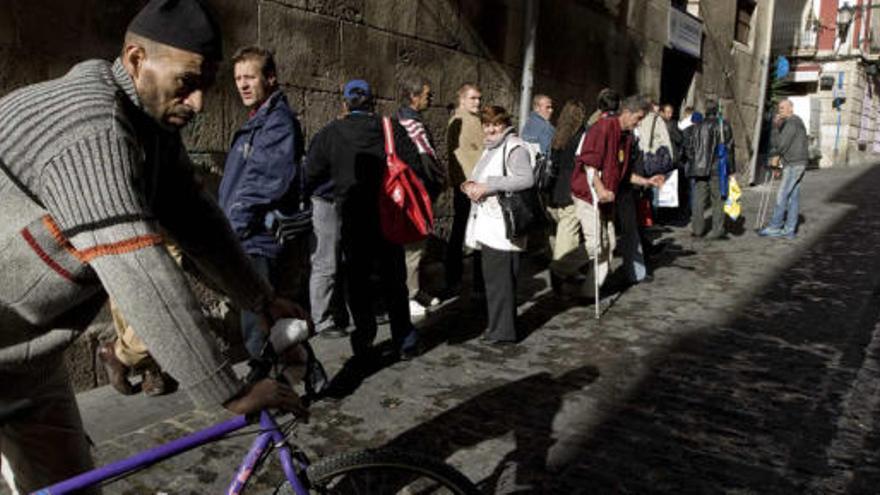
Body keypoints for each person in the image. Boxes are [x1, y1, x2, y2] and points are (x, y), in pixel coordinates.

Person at [0, 1, 303, 492]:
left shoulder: (149, 127)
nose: (200, 102)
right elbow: (138, 266)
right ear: (137, 59)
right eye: (188, 82)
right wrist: (228, 390)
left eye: (207, 84)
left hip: (27, 367)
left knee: (72, 486)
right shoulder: (89, 125)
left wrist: (261, 299)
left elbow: (197, 221)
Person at [305, 79, 423, 361]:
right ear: (373, 103)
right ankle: (404, 338)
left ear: (345, 104)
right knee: (394, 279)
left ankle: (364, 337)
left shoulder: (331, 133)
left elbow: (310, 174)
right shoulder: (390, 129)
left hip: (353, 217)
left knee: (357, 280)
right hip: (388, 217)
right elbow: (415, 169)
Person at [218, 45, 306, 370]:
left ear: (270, 78)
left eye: (250, 77)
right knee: (268, 322)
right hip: (247, 235)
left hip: (256, 240)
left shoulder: (277, 123)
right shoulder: (258, 121)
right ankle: (302, 376)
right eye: (238, 78)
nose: (242, 84)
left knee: (258, 329)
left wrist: (232, 228)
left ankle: (270, 392)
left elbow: (262, 182)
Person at [571, 95, 663, 298]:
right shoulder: (602, 128)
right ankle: (561, 266)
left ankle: (589, 292)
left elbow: (625, 173)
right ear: (627, 113)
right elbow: (589, 164)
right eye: (637, 118)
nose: (638, 123)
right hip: (589, 195)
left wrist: (647, 181)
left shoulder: (628, 138)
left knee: (609, 244)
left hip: (608, 198)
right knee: (596, 245)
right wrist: (601, 188)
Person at [463, 106, 534, 344]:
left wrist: (487, 186)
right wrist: (471, 186)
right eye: (487, 124)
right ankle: (500, 328)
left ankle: (502, 332)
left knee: (500, 283)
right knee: (495, 282)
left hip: (502, 227)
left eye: (496, 124)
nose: (491, 129)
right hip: (491, 225)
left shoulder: (514, 147)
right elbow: (484, 178)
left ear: (505, 124)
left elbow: (526, 179)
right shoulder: (492, 147)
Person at [396, 75, 445, 316]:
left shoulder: (413, 121)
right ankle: (407, 295)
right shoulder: (409, 124)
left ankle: (415, 290)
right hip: (415, 193)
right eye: (427, 94)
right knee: (413, 246)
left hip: (419, 192)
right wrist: (438, 180)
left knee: (419, 245)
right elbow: (425, 160)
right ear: (414, 97)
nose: (431, 98)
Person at [546, 98, 589, 293]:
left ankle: (565, 270)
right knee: (568, 232)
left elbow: (554, 163)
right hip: (572, 189)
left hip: (558, 190)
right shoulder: (580, 136)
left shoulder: (558, 136)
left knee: (565, 231)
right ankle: (559, 271)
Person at [446, 83, 485, 298]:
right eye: (473, 98)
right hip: (469, 187)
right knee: (466, 232)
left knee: (463, 231)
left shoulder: (473, 120)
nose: (477, 102)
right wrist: (471, 185)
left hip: (470, 185)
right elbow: (461, 157)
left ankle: (459, 279)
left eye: (479, 98)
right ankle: (469, 282)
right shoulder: (461, 121)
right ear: (462, 99)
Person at [759, 99, 809, 239]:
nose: (779, 111)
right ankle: (789, 230)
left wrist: (775, 127)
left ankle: (775, 227)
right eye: (779, 108)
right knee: (793, 197)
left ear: (791, 109)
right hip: (797, 162)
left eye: (782, 108)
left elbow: (780, 144)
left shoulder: (792, 122)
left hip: (794, 164)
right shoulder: (794, 122)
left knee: (782, 195)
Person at [685, 99, 735, 240]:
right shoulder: (723, 125)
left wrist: (694, 162)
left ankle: (697, 229)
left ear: (706, 111)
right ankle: (717, 230)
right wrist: (731, 170)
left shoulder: (697, 126)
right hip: (717, 168)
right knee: (718, 200)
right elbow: (729, 149)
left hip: (700, 169)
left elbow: (690, 148)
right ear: (717, 110)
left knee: (699, 200)